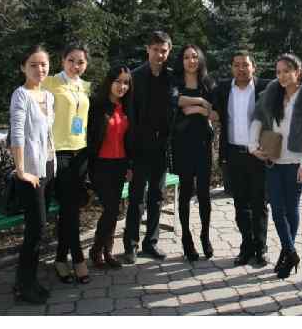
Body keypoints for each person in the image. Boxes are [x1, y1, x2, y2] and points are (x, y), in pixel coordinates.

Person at [249, 54, 302, 279]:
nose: (282, 76)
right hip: (274, 159)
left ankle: (286, 255)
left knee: (291, 208)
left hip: (296, 161)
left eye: (287, 71)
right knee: (277, 210)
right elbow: (258, 117)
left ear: (298, 71)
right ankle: (291, 253)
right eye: (278, 72)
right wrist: (252, 145)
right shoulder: (273, 92)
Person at [123, 30, 179, 264]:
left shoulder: (172, 78)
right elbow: (128, 116)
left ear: (169, 51)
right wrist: (128, 155)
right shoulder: (134, 77)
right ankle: (131, 245)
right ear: (148, 50)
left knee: (157, 196)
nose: (159, 54)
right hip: (139, 146)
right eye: (155, 50)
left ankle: (151, 243)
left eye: (163, 50)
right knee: (136, 197)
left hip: (161, 146)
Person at [213, 51, 271, 266]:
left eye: (245, 65)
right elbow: (207, 101)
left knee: (260, 204)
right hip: (234, 155)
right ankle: (246, 246)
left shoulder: (266, 87)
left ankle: (261, 247)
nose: (241, 69)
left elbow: (293, 87)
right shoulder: (222, 88)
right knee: (240, 204)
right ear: (231, 68)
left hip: (258, 156)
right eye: (236, 65)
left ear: (253, 67)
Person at [8, 45, 56, 304]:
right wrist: (21, 171)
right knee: (35, 230)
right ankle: (23, 285)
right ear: (23, 68)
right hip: (30, 173)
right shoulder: (21, 95)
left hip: (47, 168)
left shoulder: (48, 96)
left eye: (43, 64)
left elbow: (46, 134)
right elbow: (16, 134)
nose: (40, 69)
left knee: (39, 229)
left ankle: (29, 280)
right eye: (33, 65)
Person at [42, 43, 92, 284]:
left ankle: (61, 259)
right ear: (62, 60)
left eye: (80, 62)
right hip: (58, 153)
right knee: (70, 208)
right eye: (71, 60)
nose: (75, 66)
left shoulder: (85, 87)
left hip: (80, 153)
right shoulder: (50, 83)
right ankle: (78, 259)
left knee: (70, 209)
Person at [171, 44, 217, 261]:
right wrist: (200, 102)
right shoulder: (175, 82)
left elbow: (215, 112)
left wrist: (196, 109)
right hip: (182, 145)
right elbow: (175, 100)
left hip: (203, 145)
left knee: (204, 194)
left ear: (200, 60)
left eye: (195, 57)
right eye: (187, 57)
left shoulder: (208, 83)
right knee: (185, 192)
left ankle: (205, 236)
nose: (191, 61)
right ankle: (186, 238)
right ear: (181, 61)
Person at [86, 65, 134, 269]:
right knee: (111, 208)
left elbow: (129, 140)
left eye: (126, 83)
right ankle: (97, 249)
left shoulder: (127, 107)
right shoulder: (96, 106)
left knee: (115, 209)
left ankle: (107, 251)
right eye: (118, 81)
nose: (122, 86)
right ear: (109, 82)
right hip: (100, 165)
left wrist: (129, 165)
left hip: (120, 165)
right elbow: (89, 138)